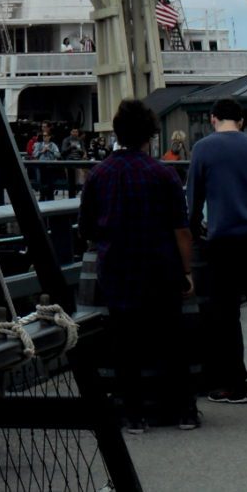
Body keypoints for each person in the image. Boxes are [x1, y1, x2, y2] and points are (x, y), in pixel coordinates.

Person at [79, 99, 199, 433]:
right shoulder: (164, 174)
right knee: (171, 340)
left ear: (117, 132)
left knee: (125, 343)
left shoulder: (99, 174)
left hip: (118, 268)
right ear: (150, 134)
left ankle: (132, 414)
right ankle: (183, 409)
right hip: (161, 266)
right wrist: (186, 271)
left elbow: (86, 228)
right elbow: (181, 229)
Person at [187, 97, 247, 404]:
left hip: (222, 239)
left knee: (226, 316)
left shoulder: (203, 148)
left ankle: (234, 384)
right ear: (240, 121)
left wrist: (193, 230)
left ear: (213, 118)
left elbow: (194, 197)